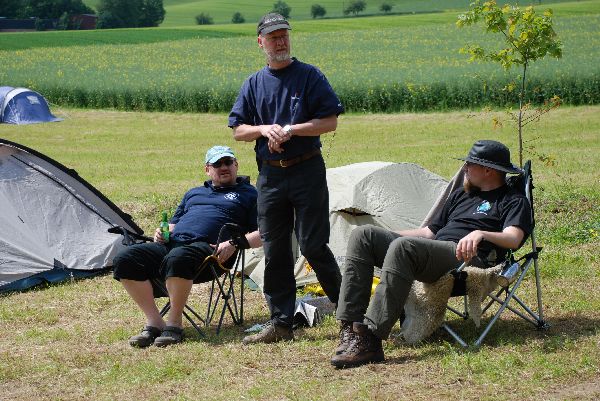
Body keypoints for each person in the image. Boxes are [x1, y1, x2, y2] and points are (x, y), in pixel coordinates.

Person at [330, 140, 533, 368]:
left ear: (488, 170)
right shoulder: (461, 196)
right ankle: (350, 328)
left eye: (470, 163)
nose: (464, 167)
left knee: (404, 247)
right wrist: (386, 235)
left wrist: (480, 234)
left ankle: (371, 339)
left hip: (468, 261)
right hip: (433, 253)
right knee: (364, 235)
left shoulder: (512, 200)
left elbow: (513, 238)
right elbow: (428, 232)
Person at [228, 13, 344, 344]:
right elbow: (238, 130)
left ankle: (348, 313)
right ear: (260, 42)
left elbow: (330, 121)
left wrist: (291, 129)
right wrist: (265, 130)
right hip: (270, 176)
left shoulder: (309, 76)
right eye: (273, 37)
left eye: (284, 35)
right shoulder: (253, 83)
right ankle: (281, 322)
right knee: (275, 247)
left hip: (306, 168)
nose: (280, 41)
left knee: (312, 244)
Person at [112, 145, 261, 348]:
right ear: (207, 169)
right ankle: (154, 322)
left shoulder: (249, 194)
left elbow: (265, 232)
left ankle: (174, 324)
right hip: (173, 243)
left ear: (236, 165)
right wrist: (162, 232)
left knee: (178, 257)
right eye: (217, 164)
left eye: (228, 162)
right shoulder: (194, 193)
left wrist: (235, 243)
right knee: (125, 258)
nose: (223, 167)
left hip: (211, 252)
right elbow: (173, 223)